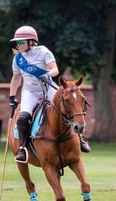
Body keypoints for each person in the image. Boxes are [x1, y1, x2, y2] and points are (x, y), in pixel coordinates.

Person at [8, 25, 90, 163]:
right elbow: (16, 78)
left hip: (49, 88)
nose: (18, 44)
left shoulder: (43, 52)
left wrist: (47, 75)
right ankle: (22, 149)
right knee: (22, 117)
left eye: (21, 42)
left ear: (31, 41)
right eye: (17, 42)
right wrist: (12, 96)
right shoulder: (17, 59)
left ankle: (80, 138)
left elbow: (55, 69)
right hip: (30, 92)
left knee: (68, 109)